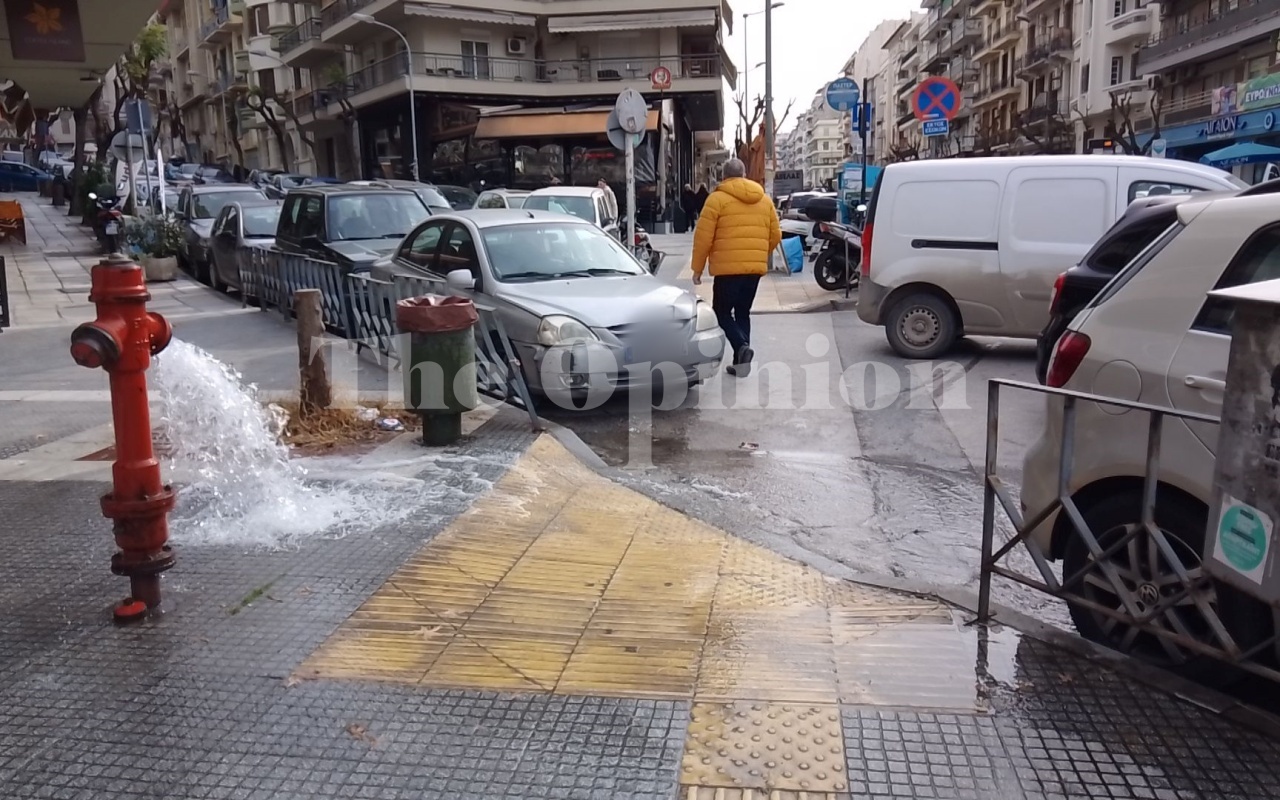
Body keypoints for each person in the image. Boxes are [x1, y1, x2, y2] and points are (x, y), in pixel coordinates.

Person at [690, 158, 781, 377]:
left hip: (727, 270)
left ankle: (741, 347)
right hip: (753, 270)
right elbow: (776, 234)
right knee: (742, 312)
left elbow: (703, 238)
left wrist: (697, 269)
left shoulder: (716, 199)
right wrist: (759, 254)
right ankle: (740, 364)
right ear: (744, 174)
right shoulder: (764, 199)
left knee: (721, 312)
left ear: (724, 176)